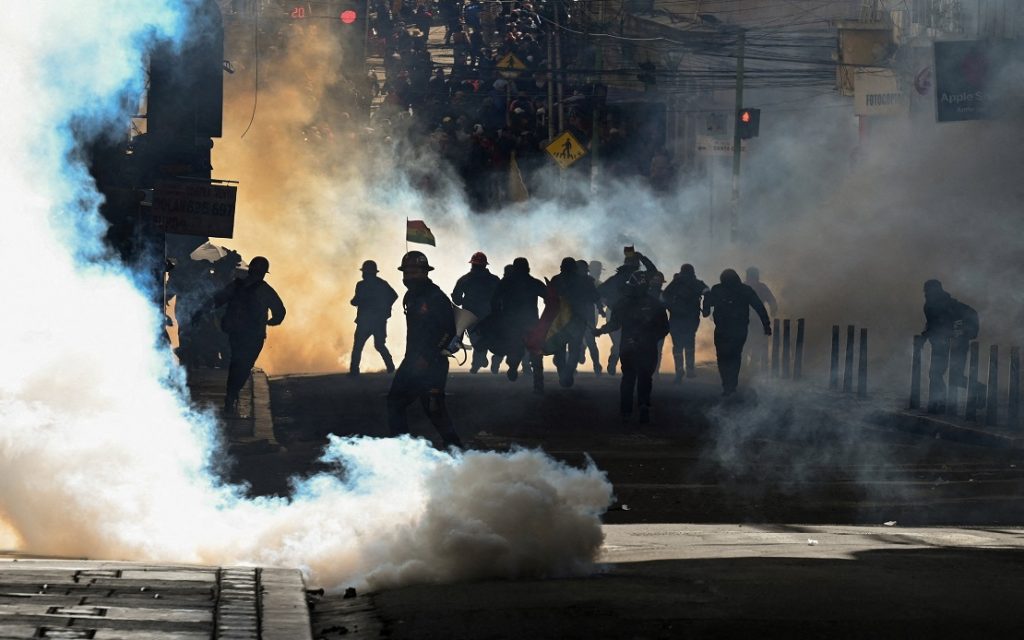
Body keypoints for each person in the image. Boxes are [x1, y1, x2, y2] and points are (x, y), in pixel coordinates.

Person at [387, 251, 463, 448]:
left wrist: (427, 357)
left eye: (414, 272)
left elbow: (449, 330)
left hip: (433, 364)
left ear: (425, 272)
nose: (409, 277)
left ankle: (456, 449)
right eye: (406, 272)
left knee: (434, 408)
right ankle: (402, 449)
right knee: (395, 402)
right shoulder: (410, 296)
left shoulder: (436, 297)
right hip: (411, 361)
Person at [204, 256, 286, 415]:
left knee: (236, 363)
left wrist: (200, 312)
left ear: (250, 270)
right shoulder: (265, 290)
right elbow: (279, 311)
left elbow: (216, 300)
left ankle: (231, 394)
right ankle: (233, 393)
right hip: (254, 335)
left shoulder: (236, 286)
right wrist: (272, 321)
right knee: (245, 365)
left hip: (235, 333)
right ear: (263, 273)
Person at [595, 271, 669, 423]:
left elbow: (614, 324)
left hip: (628, 346)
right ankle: (643, 406)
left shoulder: (623, 303)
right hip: (648, 348)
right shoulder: (656, 304)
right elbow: (664, 328)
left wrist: (600, 331)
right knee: (645, 378)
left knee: (629, 377)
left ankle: (626, 412)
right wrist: (651, 339)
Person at [702, 268, 771, 396]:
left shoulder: (717, 289)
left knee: (722, 357)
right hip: (739, 329)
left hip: (722, 329)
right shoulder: (745, 290)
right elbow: (759, 307)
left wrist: (706, 297)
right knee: (735, 356)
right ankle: (732, 385)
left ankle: (726, 385)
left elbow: (706, 310)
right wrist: (766, 325)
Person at [922, 279, 979, 413]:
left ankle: (980, 389)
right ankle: (939, 402)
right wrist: (924, 337)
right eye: (926, 291)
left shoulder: (951, 306)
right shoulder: (929, 306)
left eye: (929, 291)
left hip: (958, 341)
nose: (927, 294)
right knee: (935, 373)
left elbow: (957, 323)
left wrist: (958, 337)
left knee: (955, 377)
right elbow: (931, 324)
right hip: (942, 341)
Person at [598, 247, 658, 375]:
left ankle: (618, 362)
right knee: (627, 340)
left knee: (622, 341)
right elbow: (653, 271)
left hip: (623, 312)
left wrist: (604, 305)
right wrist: (643, 257)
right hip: (627, 313)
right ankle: (624, 365)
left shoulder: (620, 278)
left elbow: (599, 293)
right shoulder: (639, 277)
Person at [491, 257, 546, 392]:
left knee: (515, 349)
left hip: (512, 323)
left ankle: (513, 367)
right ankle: (538, 384)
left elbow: (494, 300)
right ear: (527, 268)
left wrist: (498, 316)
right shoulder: (533, 282)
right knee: (535, 353)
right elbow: (549, 298)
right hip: (530, 322)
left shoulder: (506, 282)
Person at [548, 257, 601, 388]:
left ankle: (563, 374)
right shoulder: (585, 281)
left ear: (562, 267)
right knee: (574, 349)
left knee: (560, 349)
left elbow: (549, 300)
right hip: (577, 320)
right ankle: (568, 373)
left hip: (561, 320)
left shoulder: (556, 280)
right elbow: (595, 297)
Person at [451, 252, 501, 373]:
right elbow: (501, 297)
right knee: (489, 338)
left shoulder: (465, 279)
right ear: (485, 265)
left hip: (471, 317)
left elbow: (457, 299)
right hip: (489, 316)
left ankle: (478, 363)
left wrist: (462, 301)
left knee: (477, 340)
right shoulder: (494, 280)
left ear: (472, 264)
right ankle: (482, 361)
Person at [349, 260, 398, 375]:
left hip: (365, 321)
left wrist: (355, 302)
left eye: (364, 272)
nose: (363, 274)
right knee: (379, 345)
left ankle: (354, 371)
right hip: (378, 321)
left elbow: (356, 300)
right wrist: (386, 307)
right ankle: (390, 367)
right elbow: (394, 295)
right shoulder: (382, 284)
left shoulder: (361, 285)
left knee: (358, 346)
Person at [662, 264, 708, 383]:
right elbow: (707, 292)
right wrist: (706, 309)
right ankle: (690, 369)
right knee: (689, 343)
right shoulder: (697, 283)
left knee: (677, 346)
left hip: (675, 318)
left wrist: (671, 308)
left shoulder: (676, 282)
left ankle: (679, 370)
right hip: (691, 319)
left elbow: (664, 296)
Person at [743, 267, 778, 373]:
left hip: (752, 320)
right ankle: (747, 364)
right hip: (748, 319)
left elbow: (771, 300)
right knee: (750, 342)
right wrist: (773, 310)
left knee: (752, 341)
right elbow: (772, 300)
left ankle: (749, 364)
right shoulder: (745, 286)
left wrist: (773, 310)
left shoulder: (747, 286)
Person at [576, 259, 604, 374]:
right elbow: (597, 298)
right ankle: (595, 365)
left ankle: (594, 364)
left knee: (581, 340)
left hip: (581, 315)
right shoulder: (590, 282)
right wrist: (601, 309)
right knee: (588, 341)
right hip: (586, 315)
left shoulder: (574, 281)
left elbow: (597, 298)